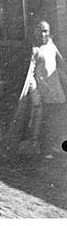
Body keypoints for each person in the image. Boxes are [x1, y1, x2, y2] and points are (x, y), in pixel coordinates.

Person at [19, 21, 67, 159]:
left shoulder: (51, 46)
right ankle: (44, 148)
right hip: (43, 91)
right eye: (40, 31)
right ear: (35, 32)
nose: (43, 34)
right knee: (42, 120)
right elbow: (30, 74)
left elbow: (61, 63)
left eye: (45, 31)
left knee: (57, 119)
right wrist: (35, 92)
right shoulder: (35, 50)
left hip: (56, 90)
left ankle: (56, 145)